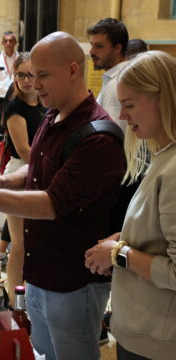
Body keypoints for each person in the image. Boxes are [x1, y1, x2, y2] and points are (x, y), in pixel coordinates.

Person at [0, 32, 126, 360]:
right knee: (45, 352)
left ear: (72, 70)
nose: (34, 84)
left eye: (42, 75)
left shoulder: (98, 138)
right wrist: (3, 180)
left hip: (72, 280)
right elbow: (37, 170)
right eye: (29, 75)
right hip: (40, 271)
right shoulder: (53, 115)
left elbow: (53, 202)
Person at [84, 50, 176, 360]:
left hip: (156, 341)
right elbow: (155, 235)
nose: (122, 117)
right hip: (140, 331)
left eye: (130, 105)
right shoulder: (163, 158)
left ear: (162, 98)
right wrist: (117, 241)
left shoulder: (174, 169)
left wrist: (117, 253)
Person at [0, 52, 46, 304]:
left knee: (32, 243)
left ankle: (26, 296)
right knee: (19, 244)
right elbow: (26, 151)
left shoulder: (41, 103)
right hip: (20, 173)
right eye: (21, 75)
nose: (26, 80)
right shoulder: (15, 107)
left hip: (36, 173)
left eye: (30, 74)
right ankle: (13, 299)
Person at [88, 18, 129, 132]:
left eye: (99, 46)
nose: (92, 51)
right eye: (91, 45)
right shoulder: (116, 78)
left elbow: (113, 134)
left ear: (117, 48)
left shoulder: (117, 84)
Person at [0, 31, 18, 133]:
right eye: (6, 41)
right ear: (2, 43)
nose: (8, 43)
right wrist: (1, 88)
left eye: (11, 40)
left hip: (15, 98)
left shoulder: (20, 59)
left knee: (14, 127)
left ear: (15, 42)